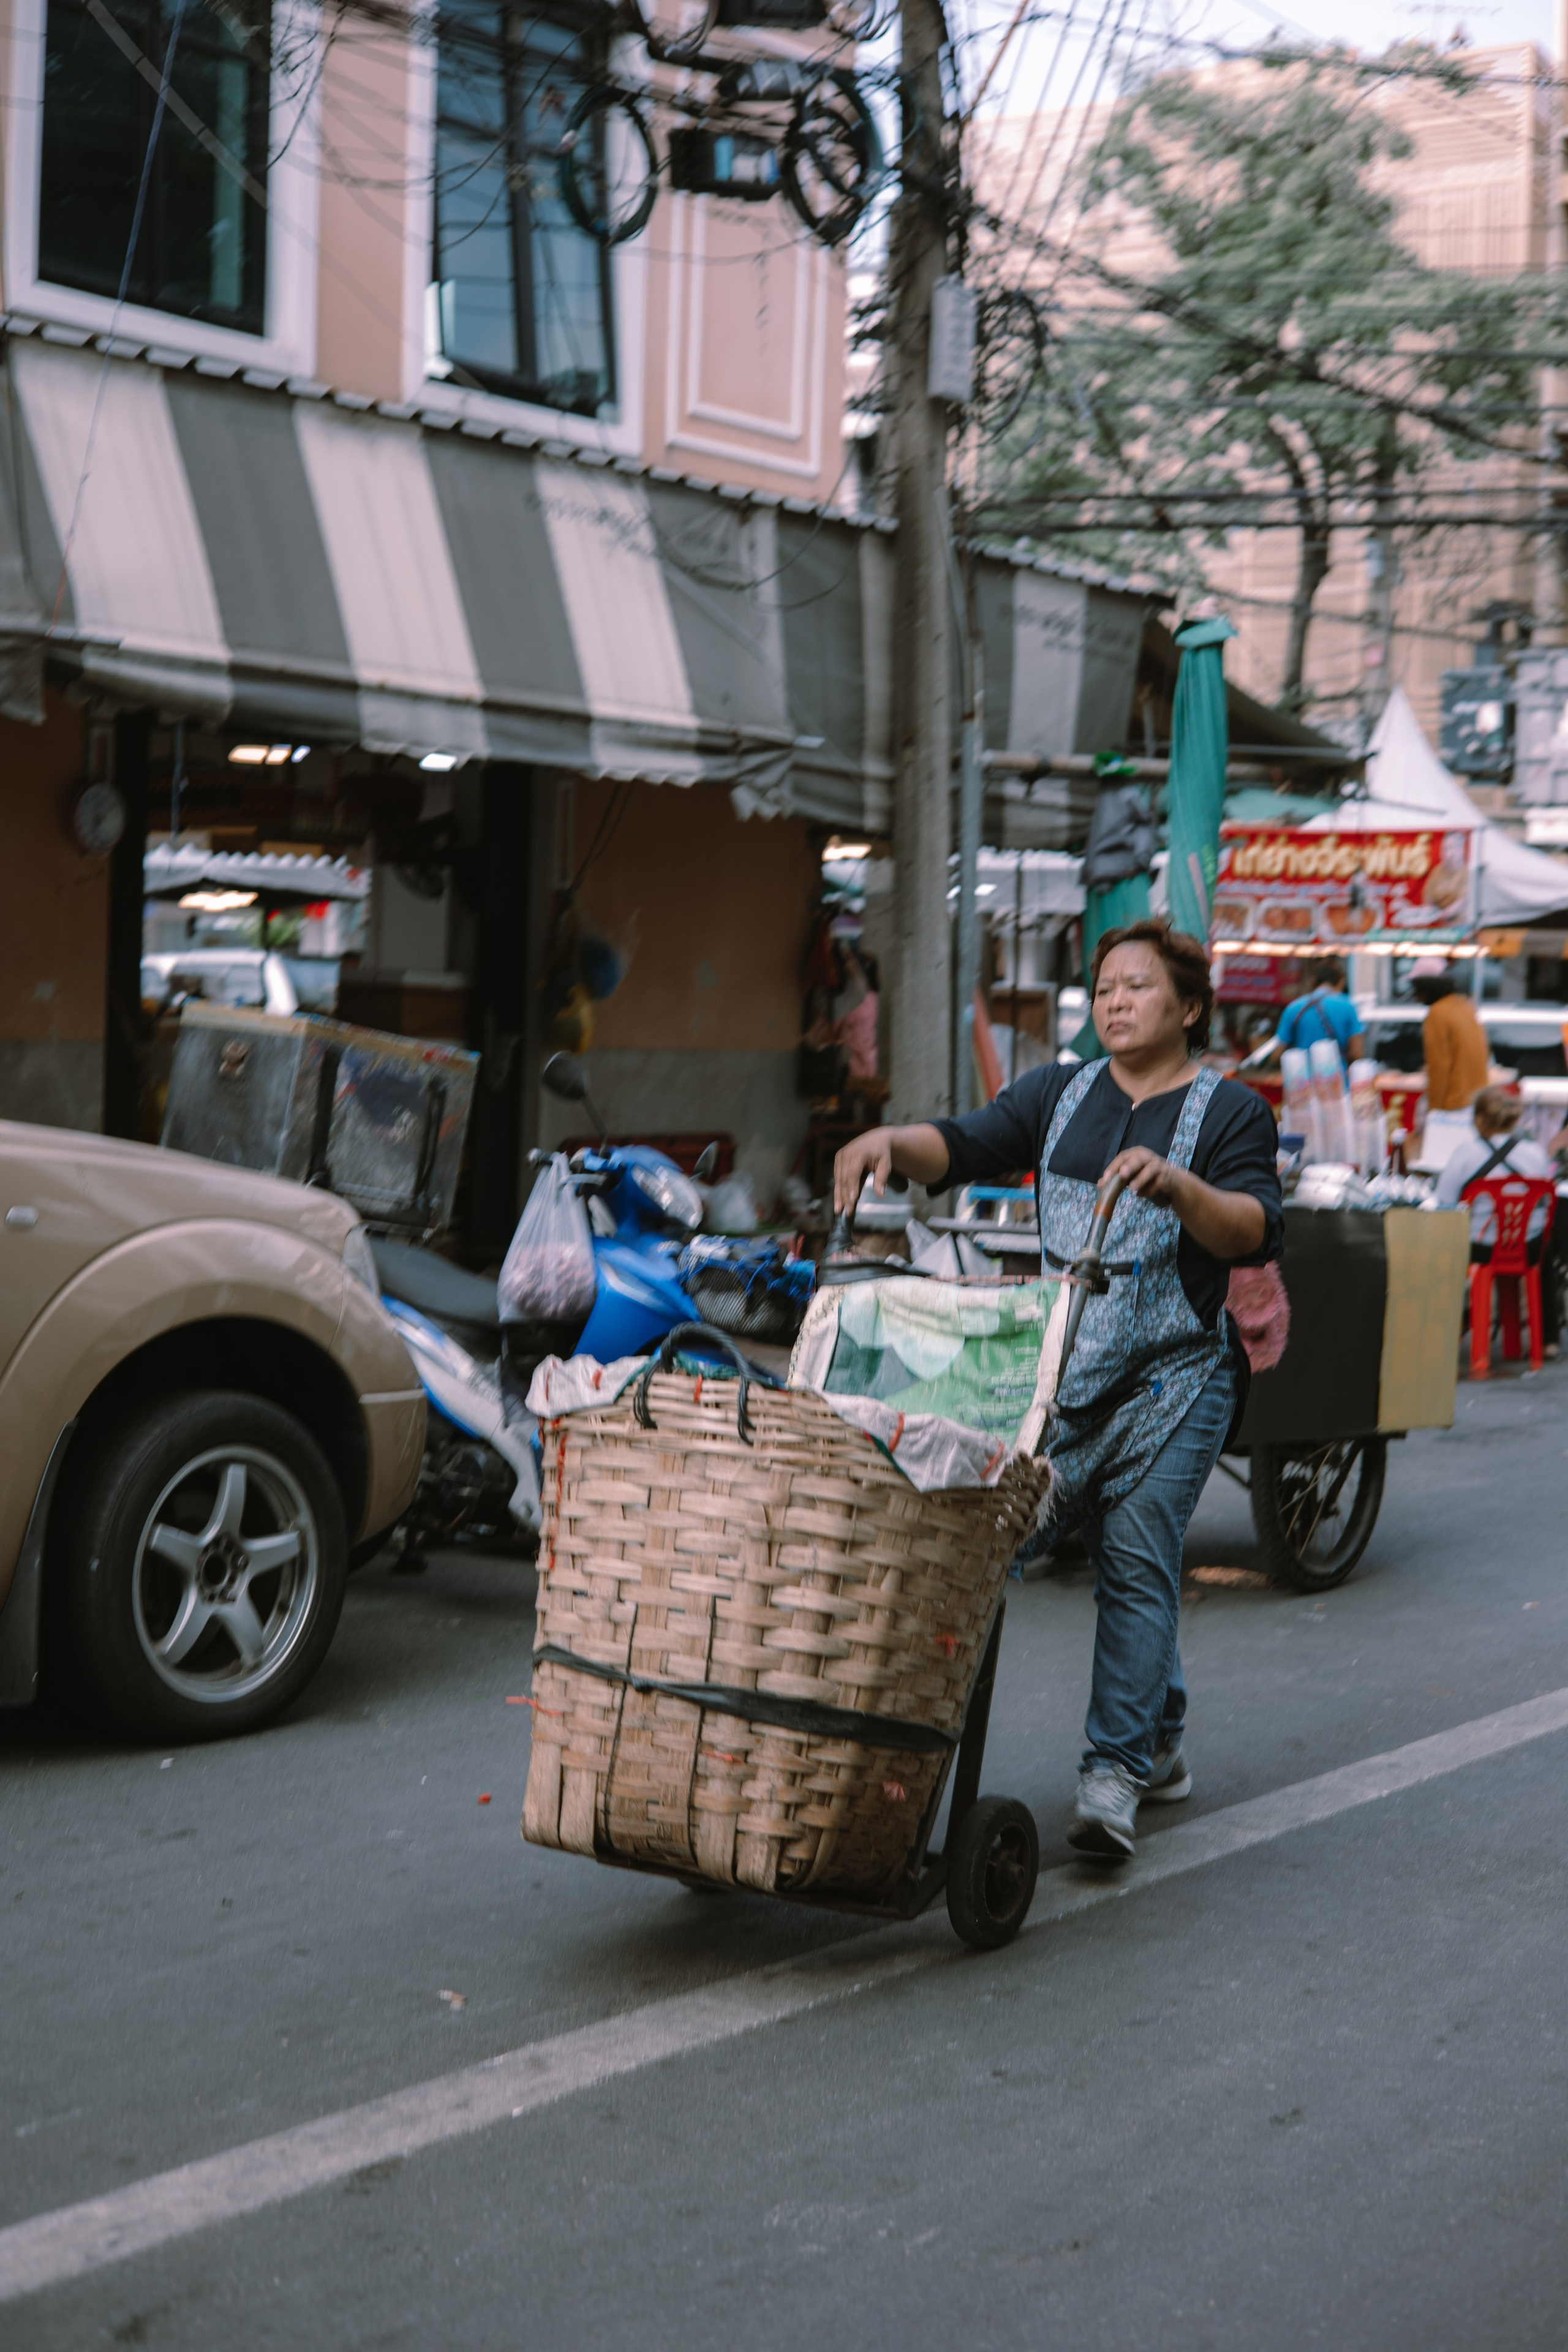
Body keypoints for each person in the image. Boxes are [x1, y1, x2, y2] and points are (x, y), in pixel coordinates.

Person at [833, 918, 1283, 1864]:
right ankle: (1160, 1738)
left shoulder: (1230, 1112)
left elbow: (1251, 1229)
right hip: (1065, 1377)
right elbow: (958, 1145)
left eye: (1139, 986)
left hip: (1178, 1374)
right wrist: (886, 1140)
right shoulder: (1059, 1093)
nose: (1116, 1001)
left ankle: (1112, 1773)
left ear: (1190, 1007)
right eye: (1105, 987)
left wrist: (1177, 1187)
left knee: (1133, 1541)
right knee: (1008, 1541)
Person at [1434, 1084, 1559, 1357]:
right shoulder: (1534, 1153)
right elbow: (1545, 1201)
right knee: (1546, 1252)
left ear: (1478, 1119)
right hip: (1526, 1246)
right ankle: (1549, 1341)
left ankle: (1455, 1322)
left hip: (1481, 1248)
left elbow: (1444, 1202)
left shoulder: (1465, 1153)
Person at [1409, 956, 1488, 1112]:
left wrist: (1434, 1109)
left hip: (1452, 1105)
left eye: (1416, 989)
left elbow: (1439, 1067)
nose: (1415, 996)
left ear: (1426, 989)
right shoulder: (1465, 1006)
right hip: (1476, 1099)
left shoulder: (1436, 1013)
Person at [1268, 956, 1365, 1070]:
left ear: (1314, 981)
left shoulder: (1294, 1008)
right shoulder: (1348, 1006)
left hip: (1302, 1082)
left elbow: (1276, 1055)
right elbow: (1357, 1053)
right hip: (1337, 1082)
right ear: (1341, 981)